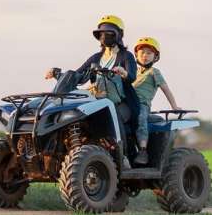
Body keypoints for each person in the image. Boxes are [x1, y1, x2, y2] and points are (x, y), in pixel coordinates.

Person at [45, 14, 140, 145]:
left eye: (108, 32)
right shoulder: (96, 57)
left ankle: (122, 155)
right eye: (101, 33)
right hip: (98, 101)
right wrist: (58, 74)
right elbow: (77, 75)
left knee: (111, 118)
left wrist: (123, 72)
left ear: (118, 34)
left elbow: (132, 77)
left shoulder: (126, 56)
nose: (104, 36)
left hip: (121, 103)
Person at [130, 37, 181, 165]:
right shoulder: (132, 72)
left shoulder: (154, 72)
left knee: (140, 118)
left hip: (142, 105)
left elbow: (166, 89)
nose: (145, 56)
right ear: (136, 55)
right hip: (128, 104)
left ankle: (142, 151)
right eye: (142, 53)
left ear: (155, 56)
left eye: (149, 53)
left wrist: (174, 106)